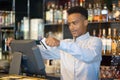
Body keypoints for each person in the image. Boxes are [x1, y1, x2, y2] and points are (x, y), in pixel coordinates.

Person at [7, 6, 102, 80]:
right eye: (69, 24)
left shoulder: (95, 42)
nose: (71, 27)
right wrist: (16, 45)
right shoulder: (66, 43)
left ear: (85, 22)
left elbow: (88, 56)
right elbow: (40, 52)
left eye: (75, 23)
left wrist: (60, 44)